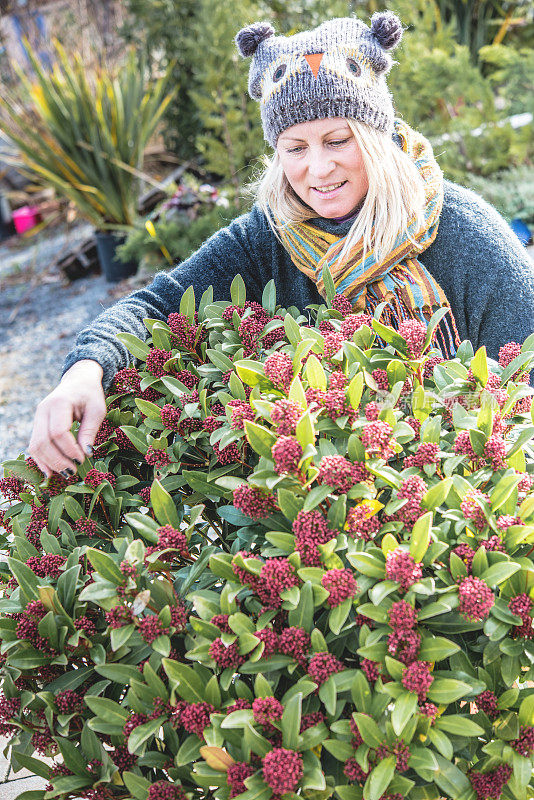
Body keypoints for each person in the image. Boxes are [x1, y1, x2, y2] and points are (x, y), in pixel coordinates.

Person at [28, 12, 534, 479]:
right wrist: (84, 371)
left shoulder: (466, 236)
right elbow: (154, 307)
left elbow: (523, 393)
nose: (317, 169)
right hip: (316, 515)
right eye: (295, 148)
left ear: (376, 136)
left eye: (338, 140)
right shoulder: (266, 239)